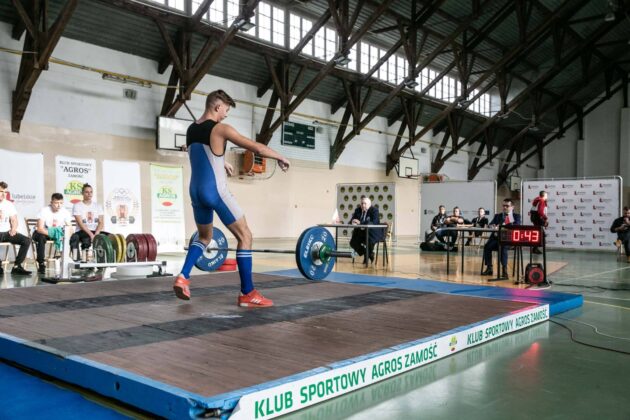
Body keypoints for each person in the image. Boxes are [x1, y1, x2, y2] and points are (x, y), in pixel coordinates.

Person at [173, 90, 290, 307]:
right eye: (226, 110)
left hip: (195, 191)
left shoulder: (191, 129)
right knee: (245, 235)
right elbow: (255, 146)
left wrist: (223, 163)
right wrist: (280, 156)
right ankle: (248, 293)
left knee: (204, 237)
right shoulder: (221, 129)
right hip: (215, 191)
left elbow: (202, 155)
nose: (226, 115)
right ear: (217, 107)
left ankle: (183, 276)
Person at [33, 193, 73, 274]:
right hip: (43, 232)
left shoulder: (65, 212)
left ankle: (68, 260)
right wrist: (55, 235)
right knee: (41, 237)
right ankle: (41, 263)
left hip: (57, 232)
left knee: (73, 236)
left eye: (61, 203)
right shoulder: (44, 210)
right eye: (56, 203)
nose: (59, 205)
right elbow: (40, 229)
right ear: (51, 202)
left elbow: (70, 228)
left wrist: (66, 235)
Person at [482, 198, 521, 278]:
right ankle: (489, 268)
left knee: (503, 247)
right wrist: (492, 226)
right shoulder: (498, 216)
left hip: (508, 240)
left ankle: (504, 270)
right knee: (487, 246)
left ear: (512, 207)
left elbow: (516, 226)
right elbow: (490, 224)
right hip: (496, 239)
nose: (505, 207)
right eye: (504, 206)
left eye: (507, 206)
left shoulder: (516, 216)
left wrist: (502, 227)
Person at [0, 181, 32, 275]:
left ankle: (17, 266)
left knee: (26, 240)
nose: (4, 194)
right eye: (1, 191)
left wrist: (13, 228)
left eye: (5, 192)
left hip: (6, 233)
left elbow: (14, 219)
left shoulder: (8, 204)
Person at [70, 183, 104, 261]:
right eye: (87, 192)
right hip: (82, 231)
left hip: (96, 231)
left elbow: (101, 222)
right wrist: (91, 235)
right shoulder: (77, 205)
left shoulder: (98, 206)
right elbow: (81, 224)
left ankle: (101, 262)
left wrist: (96, 234)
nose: (89, 194)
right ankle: (77, 261)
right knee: (76, 238)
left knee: (109, 237)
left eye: (91, 192)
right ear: (82, 193)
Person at [349, 196, 381, 263]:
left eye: (365, 203)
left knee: (369, 241)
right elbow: (352, 219)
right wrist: (352, 221)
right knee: (352, 243)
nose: (363, 205)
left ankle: (367, 256)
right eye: (362, 203)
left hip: (372, 233)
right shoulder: (357, 210)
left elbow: (374, 222)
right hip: (361, 232)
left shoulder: (374, 210)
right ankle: (369, 254)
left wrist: (360, 223)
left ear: (369, 204)